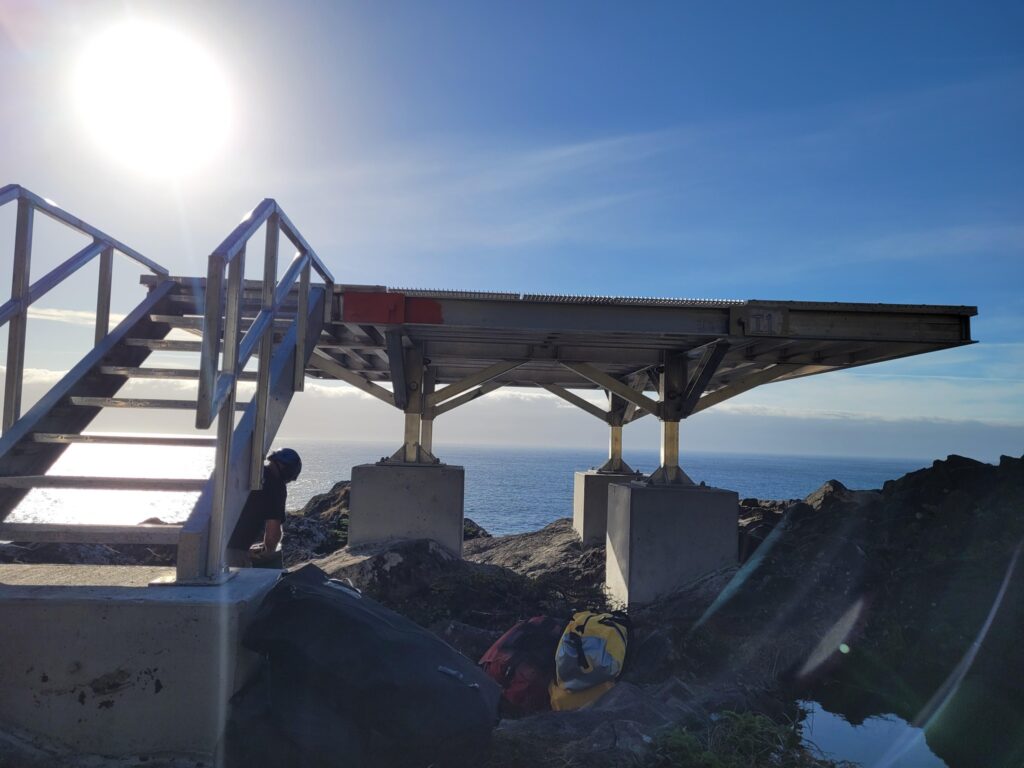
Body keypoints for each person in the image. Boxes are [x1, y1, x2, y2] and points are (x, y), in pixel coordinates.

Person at [225, 447, 302, 568]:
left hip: (216, 543)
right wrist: (267, 550)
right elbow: (273, 532)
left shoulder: (251, 474)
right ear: (289, 471)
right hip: (235, 551)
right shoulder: (276, 486)